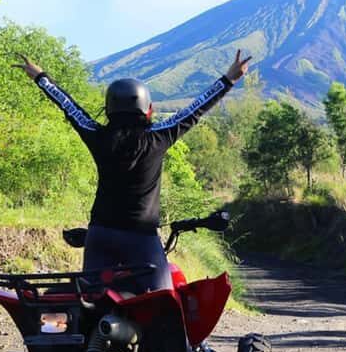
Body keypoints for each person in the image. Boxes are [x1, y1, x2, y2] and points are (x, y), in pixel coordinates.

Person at [13, 50, 252, 292]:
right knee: (163, 303)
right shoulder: (160, 136)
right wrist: (229, 79)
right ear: (148, 110)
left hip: (100, 234)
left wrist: (41, 77)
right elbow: (195, 109)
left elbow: (70, 107)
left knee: (89, 301)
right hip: (141, 238)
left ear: (108, 109)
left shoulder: (98, 135)